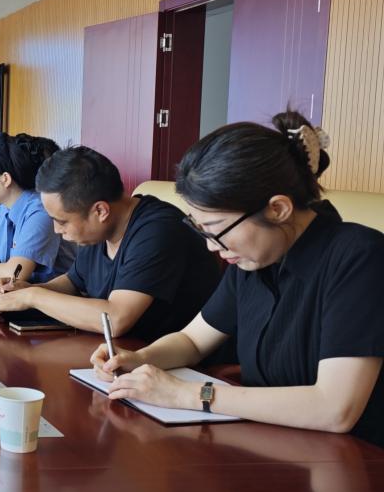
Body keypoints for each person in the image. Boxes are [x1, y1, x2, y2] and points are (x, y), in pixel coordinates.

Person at [91, 112, 384, 445]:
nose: (211, 246)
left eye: (216, 230)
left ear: (278, 209)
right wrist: (139, 360)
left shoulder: (360, 258)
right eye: (201, 230)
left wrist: (190, 394)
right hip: (268, 443)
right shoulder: (255, 259)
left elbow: (334, 408)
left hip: (352, 459)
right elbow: (192, 342)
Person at [0, 145, 220, 339]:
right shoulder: (102, 230)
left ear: (100, 211)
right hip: (119, 355)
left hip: (179, 365)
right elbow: (72, 282)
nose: (57, 230)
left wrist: (34, 297)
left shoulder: (159, 230)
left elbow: (116, 319)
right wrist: (25, 291)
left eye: (62, 221)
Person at [0, 133, 74, 284]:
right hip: (20, 294)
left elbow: (15, 274)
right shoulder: (2, 210)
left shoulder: (40, 210)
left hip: (57, 295)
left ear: (5, 179)